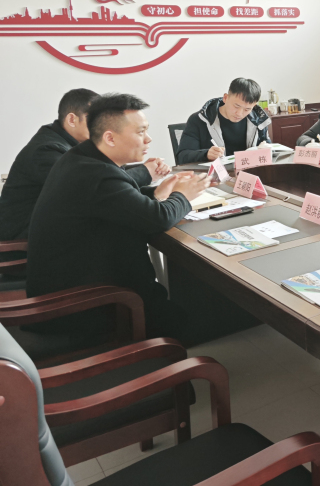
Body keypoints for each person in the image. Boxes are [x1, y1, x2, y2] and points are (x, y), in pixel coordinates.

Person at [27, 93, 210, 343]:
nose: (148, 139)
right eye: (140, 132)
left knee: (190, 314)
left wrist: (157, 193)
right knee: (198, 322)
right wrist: (183, 196)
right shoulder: (96, 174)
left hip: (76, 285)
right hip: (85, 305)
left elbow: (116, 201)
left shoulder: (81, 158)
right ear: (110, 138)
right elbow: (157, 219)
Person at [0, 89, 169, 244]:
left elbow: (103, 178)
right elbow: (96, 185)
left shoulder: (66, 143)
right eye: (93, 118)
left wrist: (149, 178)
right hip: (22, 240)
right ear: (72, 120)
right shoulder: (47, 150)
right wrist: (145, 172)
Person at [176, 78, 271, 164]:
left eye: (247, 109)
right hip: (212, 176)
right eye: (236, 106)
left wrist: (266, 149)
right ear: (225, 98)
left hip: (250, 173)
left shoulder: (259, 121)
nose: (239, 113)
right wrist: (206, 154)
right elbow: (182, 156)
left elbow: (270, 150)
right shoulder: (200, 119)